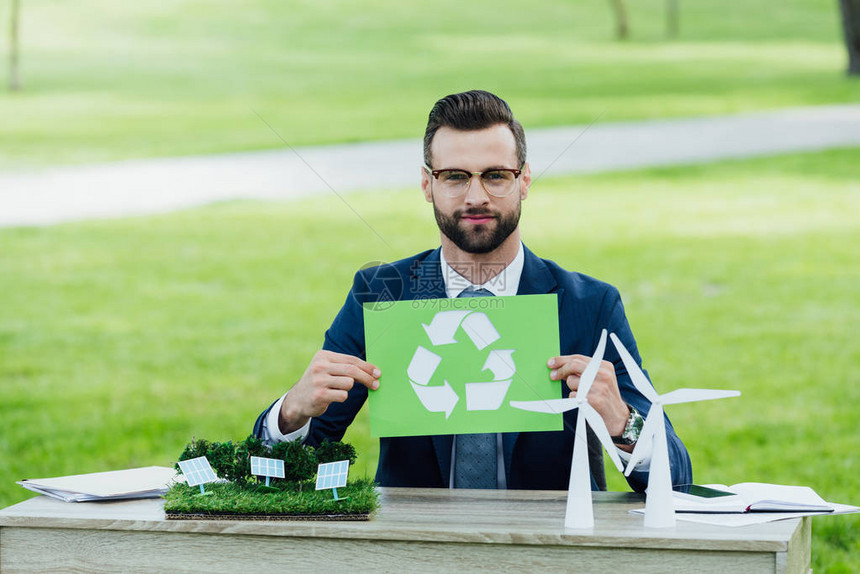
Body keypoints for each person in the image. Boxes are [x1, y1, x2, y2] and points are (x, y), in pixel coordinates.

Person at [253, 90, 691, 491]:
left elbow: (675, 482)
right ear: (428, 185)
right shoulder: (381, 295)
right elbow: (276, 480)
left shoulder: (589, 305)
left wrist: (621, 421)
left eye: (496, 175)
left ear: (524, 181)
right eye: (455, 177)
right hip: (420, 550)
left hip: (551, 552)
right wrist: (291, 413)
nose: (476, 196)